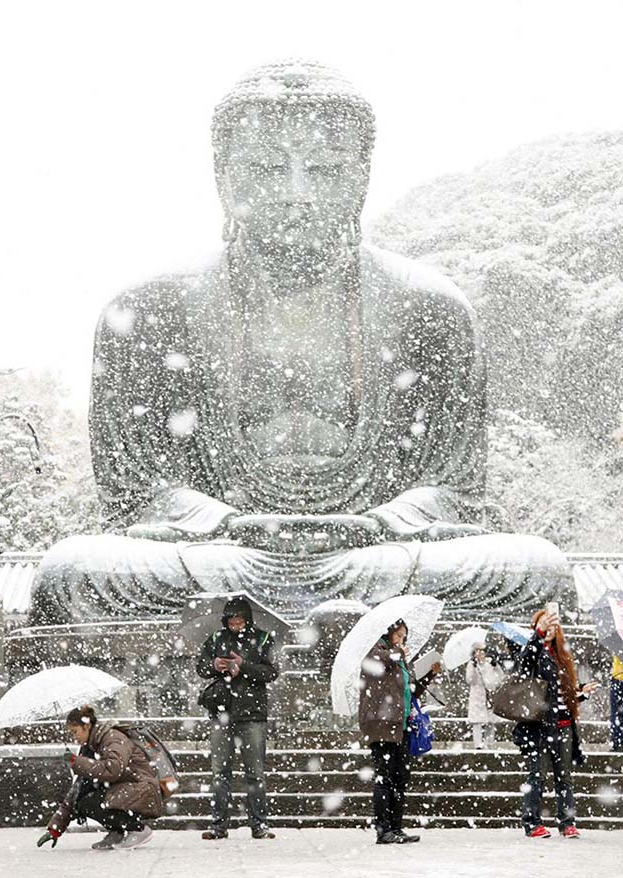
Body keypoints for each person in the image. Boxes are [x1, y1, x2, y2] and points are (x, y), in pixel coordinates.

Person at [30, 59, 573, 628]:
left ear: (361, 177)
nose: (296, 195)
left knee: (536, 569)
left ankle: (287, 610)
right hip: (219, 554)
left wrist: (381, 524)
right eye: (266, 167)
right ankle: (322, 612)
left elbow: (456, 491)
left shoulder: (428, 307)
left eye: (324, 169)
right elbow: (135, 493)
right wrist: (225, 524)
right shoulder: (149, 308)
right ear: (225, 177)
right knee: (74, 572)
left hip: (375, 554)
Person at [196, 596, 278, 840]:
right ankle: (218, 825)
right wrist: (214, 665)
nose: (235, 624)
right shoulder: (215, 639)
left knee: (255, 773)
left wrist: (245, 666)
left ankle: (259, 824)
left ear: (247, 619)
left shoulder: (263, 639)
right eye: (231, 620)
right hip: (222, 712)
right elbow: (200, 668)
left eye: (239, 620)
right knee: (220, 772)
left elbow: (271, 672)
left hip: (252, 714)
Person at [513, 609, 600, 839]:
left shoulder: (561, 656)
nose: (551, 628)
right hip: (540, 726)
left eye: (553, 624)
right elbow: (525, 665)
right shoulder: (534, 650)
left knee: (564, 777)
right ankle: (532, 823)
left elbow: (563, 695)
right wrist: (539, 633)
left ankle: (567, 822)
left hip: (563, 726)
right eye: (545, 624)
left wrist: (581, 693)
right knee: (537, 776)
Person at [359, 619, 440, 845]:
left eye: (404, 636)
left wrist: (429, 675)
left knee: (400, 778)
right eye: (399, 635)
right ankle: (383, 829)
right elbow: (378, 663)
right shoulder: (375, 650)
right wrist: (396, 652)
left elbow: (410, 691)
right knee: (385, 776)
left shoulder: (398, 658)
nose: (402, 640)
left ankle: (396, 827)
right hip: (381, 724)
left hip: (402, 725)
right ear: (388, 632)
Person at [37, 705, 162, 850]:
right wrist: (55, 829)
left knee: (90, 802)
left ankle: (138, 830)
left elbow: (113, 769)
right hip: (124, 789)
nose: (74, 737)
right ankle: (117, 832)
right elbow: (77, 789)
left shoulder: (112, 738)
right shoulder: (90, 747)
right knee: (82, 800)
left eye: (75, 731)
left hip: (141, 788)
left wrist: (77, 762)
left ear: (87, 726)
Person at [465, 643, 503, 749]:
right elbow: (469, 680)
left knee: (491, 721)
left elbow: (499, 678)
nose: (480, 654)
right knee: (477, 722)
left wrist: (496, 666)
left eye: (482, 651)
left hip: (489, 695)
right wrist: (473, 667)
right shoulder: (471, 664)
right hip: (477, 696)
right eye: (478, 651)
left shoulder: (489, 664)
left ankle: (489, 743)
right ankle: (478, 745)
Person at [610, 653, 623, 751]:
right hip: (617, 677)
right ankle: (617, 740)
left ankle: (617, 741)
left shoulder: (617, 640)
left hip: (618, 677)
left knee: (616, 713)